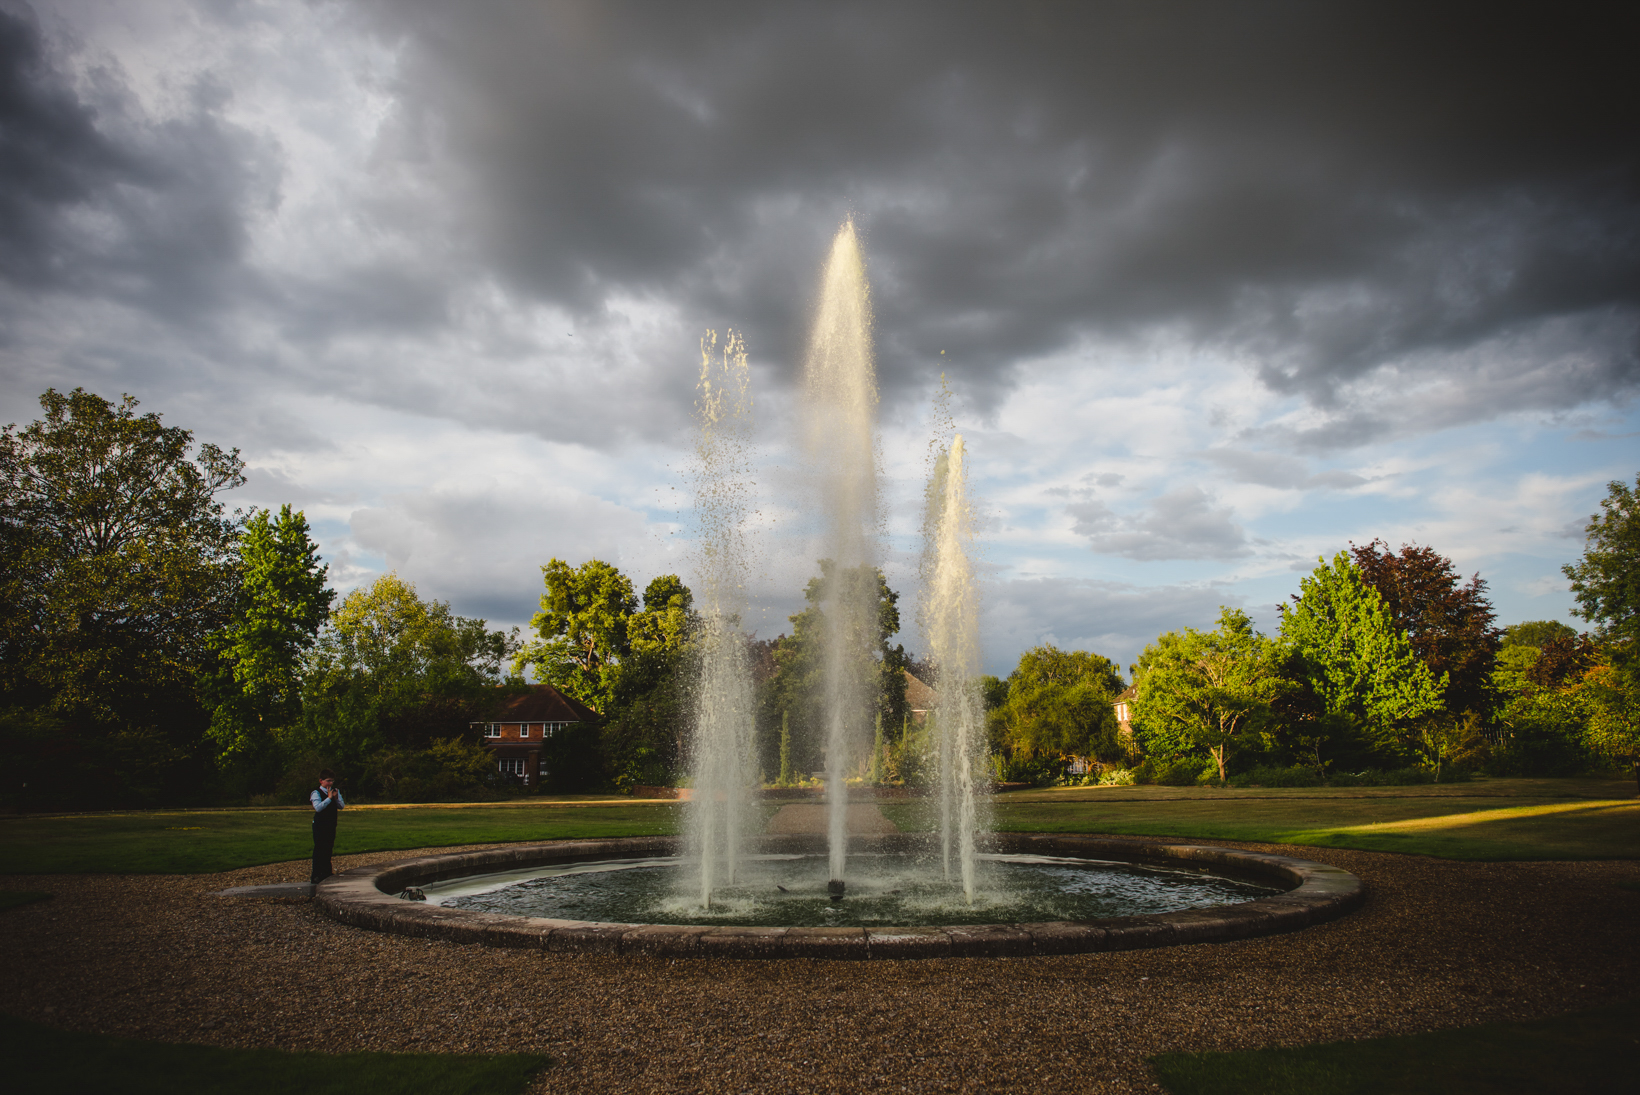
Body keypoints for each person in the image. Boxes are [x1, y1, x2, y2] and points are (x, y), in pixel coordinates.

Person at [309, 769, 345, 884]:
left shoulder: (335, 791)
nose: (330, 783)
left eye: (332, 781)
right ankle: (316, 874)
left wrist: (335, 798)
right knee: (320, 848)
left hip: (331, 824)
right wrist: (328, 798)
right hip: (320, 824)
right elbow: (318, 808)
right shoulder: (316, 793)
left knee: (328, 848)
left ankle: (326, 872)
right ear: (321, 781)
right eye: (328, 781)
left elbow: (341, 806)